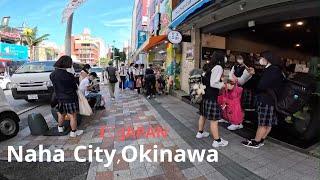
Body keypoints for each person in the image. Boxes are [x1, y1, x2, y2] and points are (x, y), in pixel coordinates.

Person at [242, 51, 284, 148]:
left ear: (268, 59)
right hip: (271, 100)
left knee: (262, 122)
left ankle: (256, 142)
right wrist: (255, 73)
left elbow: (262, 85)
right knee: (268, 122)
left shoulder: (272, 69)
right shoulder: (275, 69)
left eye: (262, 58)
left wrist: (256, 81)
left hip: (266, 100)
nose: (260, 60)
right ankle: (261, 140)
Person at [196, 51, 228, 148]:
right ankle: (217, 141)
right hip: (212, 97)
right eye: (224, 57)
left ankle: (200, 133)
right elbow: (213, 83)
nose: (225, 58)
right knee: (214, 120)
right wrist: (224, 84)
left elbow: (207, 80)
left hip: (205, 95)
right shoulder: (218, 67)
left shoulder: (208, 66)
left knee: (203, 115)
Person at [50, 55, 83, 137]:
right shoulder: (69, 75)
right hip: (70, 98)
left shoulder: (52, 74)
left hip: (59, 98)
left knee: (61, 114)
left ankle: (60, 128)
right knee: (72, 116)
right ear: (67, 64)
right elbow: (74, 87)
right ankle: (73, 132)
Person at [222, 55, 254, 130]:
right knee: (231, 105)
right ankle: (230, 119)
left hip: (242, 89)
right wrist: (233, 78)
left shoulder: (248, 69)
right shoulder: (235, 66)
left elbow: (242, 81)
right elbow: (230, 76)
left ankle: (239, 123)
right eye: (238, 58)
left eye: (241, 58)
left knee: (239, 106)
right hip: (233, 88)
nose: (239, 60)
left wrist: (234, 78)